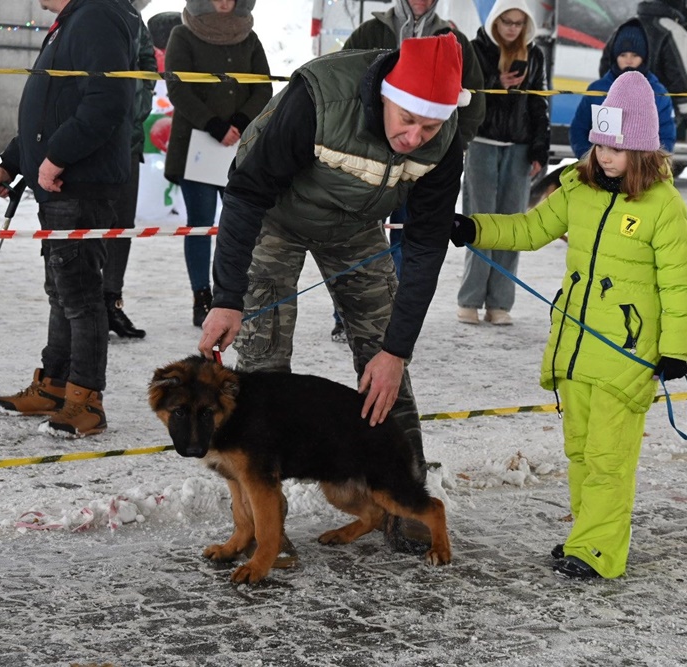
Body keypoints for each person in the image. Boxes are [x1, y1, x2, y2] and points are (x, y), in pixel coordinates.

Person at [197, 34, 468, 551]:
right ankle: (265, 526)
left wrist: (395, 350)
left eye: (429, 127)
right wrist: (227, 297)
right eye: (407, 120)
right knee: (262, 366)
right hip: (274, 215)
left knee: (386, 365)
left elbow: (426, 245)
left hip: (356, 226)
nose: (414, 137)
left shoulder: (444, 139)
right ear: (386, 95)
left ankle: (406, 497)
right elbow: (247, 193)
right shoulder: (321, 99)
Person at [449, 71, 687, 579]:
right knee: (581, 452)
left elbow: (680, 283)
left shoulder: (663, 205)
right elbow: (530, 229)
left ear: (642, 149)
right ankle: (587, 537)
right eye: (600, 144)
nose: (605, 156)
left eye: (617, 148)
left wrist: (675, 349)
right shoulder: (577, 189)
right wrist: (474, 227)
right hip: (576, 347)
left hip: (626, 353)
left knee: (609, 458)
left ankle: (598, 550)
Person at [0, 0, 137, 437]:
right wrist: (12, 163)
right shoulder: (72, 21)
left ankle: (86, 400)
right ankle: (54, 385)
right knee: (62, 290)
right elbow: (49, 111)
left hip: (79, 183)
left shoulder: (96, 16)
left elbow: (107, 100)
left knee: (81, 295)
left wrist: (58, 157)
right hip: (62, 182)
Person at [337, 0, 486, 339]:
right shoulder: (370, 31)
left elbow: (475, 99)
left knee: (408, 240)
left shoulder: (456, 40)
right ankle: (344, 316)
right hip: (367, 160)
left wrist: (451, 144)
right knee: (354, 239)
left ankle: (394, 316)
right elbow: (346, 84)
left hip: (422, 166)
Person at [163, 0, 272, 327]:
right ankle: (202, 296)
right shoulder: (182, 35)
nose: (224, 1)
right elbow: (177, 87)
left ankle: (233, 296)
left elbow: (263, 86)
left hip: (240, 147)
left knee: (241, 226)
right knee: (200, 224)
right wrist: (213, 124)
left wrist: (239, 121)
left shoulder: (250, 37)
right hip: (195, 147)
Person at [456, 0, 548, 327]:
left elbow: (539, 104)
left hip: (520, 148)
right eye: (507, 21)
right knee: (479, 222)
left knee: (513, 228)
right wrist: (498, 85)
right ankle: (469, 300)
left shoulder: (535, 55)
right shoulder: (475, 49)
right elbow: (465, 98)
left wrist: (540, 150)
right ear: (495, 21)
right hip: (482, 143)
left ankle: (500, 303)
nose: (512, 28)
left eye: (518, 23)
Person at [103, 0, 157, 340]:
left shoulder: (134, 19)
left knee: (121, 226)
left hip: (128, 143)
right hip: (91, 145)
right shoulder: (83, 17)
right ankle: (87, 308)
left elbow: (148, 66)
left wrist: (139, 104)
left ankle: (111, 301)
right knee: (88, 227)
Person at [599, 0, 687, 147]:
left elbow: (605, 70)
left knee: (622, 158)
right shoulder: (673, 32)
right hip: (655, 120)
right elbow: (682, 80)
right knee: (648, 159)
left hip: (619, 119)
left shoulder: (625, 28)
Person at [570, 20, 675, 159]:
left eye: (635, 55)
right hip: (601, 165)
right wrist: (589, 160)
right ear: (615, 56)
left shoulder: (659, 92)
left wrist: (650, 164)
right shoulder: (597, 90)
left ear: (644, 58)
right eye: (623, 55)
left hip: (641, 168)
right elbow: (579, 129)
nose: (628, 60)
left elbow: (666, 135)